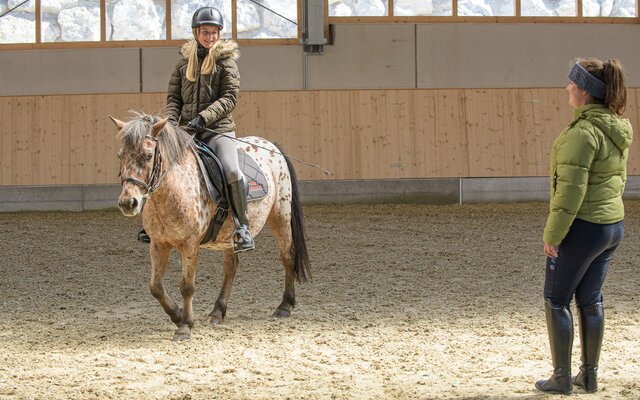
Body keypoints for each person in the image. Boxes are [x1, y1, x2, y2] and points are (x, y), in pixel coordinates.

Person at [535, 58, 632, 394]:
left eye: (572, 84)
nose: (567, 88)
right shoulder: (616, 128)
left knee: (556, 298)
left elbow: (570, 193)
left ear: (585, 92)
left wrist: (553, 234)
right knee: (590, 298)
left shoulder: (582, 133)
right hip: (611, 226)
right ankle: (588, 375)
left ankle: (561, 378)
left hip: (584, 226)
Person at [139, 6, 254, 253]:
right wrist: (171, 121)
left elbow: (229, 98)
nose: (210, 36)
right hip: (186, 130)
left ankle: (242, 227)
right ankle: (152, 224)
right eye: (205, 32)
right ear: (196, 32)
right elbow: (173, 96)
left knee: (232, 171)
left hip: (218, 130)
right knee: (160, 164)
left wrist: (203, 118)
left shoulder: (227, 62)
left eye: (214, 32)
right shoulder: (183, 62)